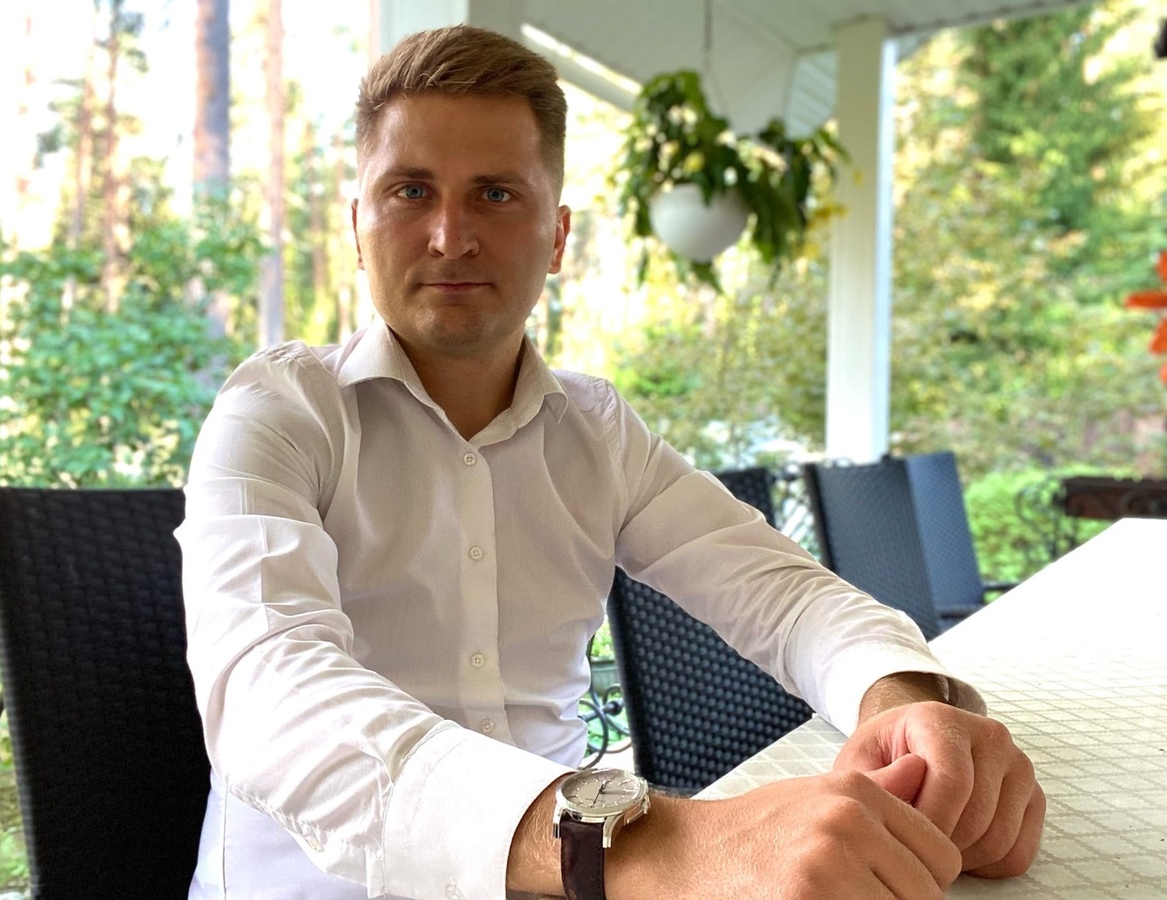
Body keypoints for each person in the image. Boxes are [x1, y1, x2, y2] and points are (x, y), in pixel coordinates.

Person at [177, 24, 1044, 900]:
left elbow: (782, 594)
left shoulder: (597, 432)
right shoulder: (278, 412)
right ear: (358, 227)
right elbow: (266, 693)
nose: (449, 235)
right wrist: (639, 843)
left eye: (495, 194)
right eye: (410, 191)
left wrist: (899, 700)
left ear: (557, 238)